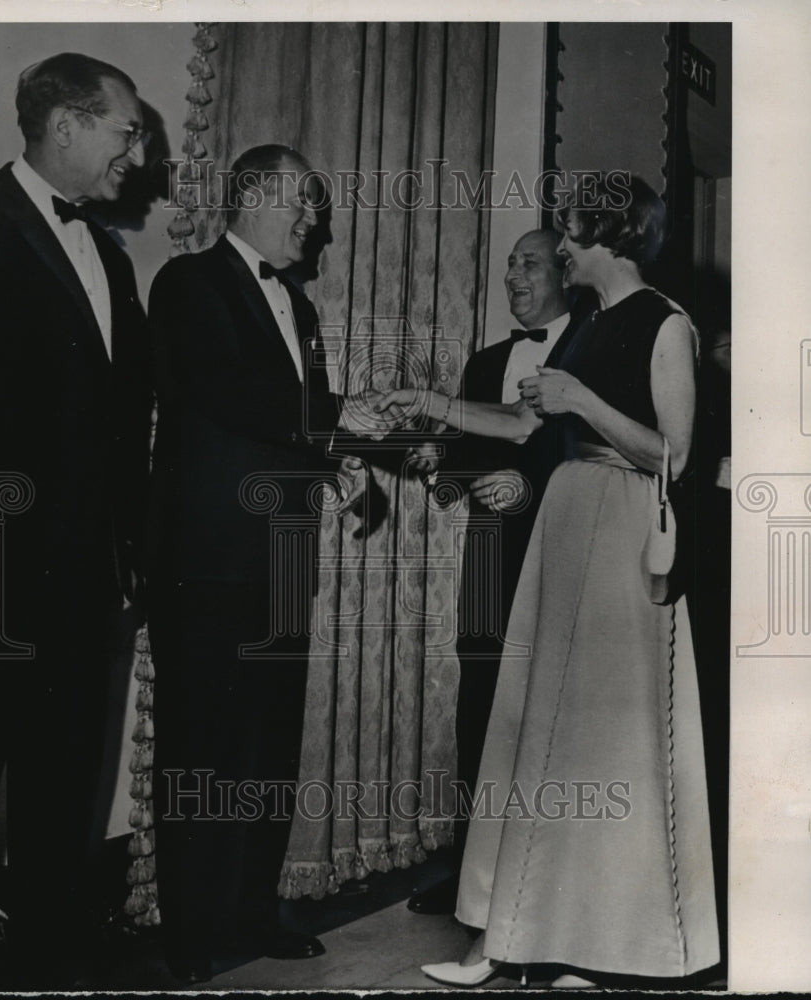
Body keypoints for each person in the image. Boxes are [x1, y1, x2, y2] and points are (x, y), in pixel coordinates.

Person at [376, 176, 719, 986]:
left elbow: (676, 454)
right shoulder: (588, 326)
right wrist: (427, 401)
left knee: (603, 744)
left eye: (569, 233)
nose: (560, 248)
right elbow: (526, 423)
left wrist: (584, 401)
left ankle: (597, 950)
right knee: (532, 728)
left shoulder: (667, 322)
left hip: (623, 519)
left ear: (611, 235)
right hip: (566, 521)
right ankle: (506, 940)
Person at [0, 53, 153, 989]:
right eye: (127, 130)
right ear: (65, 126)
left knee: (59, 781)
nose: (137, 153)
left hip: (82, 574)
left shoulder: (111, 256)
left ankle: (40, 958)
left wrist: (126, 556)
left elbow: (123, 428)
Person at [146, 144, 367, 984]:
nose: (312, 220)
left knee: (267, 745)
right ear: (248, 198)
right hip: (204, 560)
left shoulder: (301, 308)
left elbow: (290, 425)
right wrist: (352, 418)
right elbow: (230, 393)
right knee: (200, 747)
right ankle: (192, 929)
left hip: (280, 560)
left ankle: (249, 906)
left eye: (314, 206)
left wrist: (340, 467)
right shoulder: (188, 284)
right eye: (300, 203)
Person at [405, 230, 589, 915]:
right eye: (509, 263)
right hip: (490, 560)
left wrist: (527, 487)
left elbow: (586, 450)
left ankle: (551, 880)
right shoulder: (484, 362)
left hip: (566, 550)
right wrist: (437, 462)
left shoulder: (594, 347)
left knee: (558, 706)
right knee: (480, 704)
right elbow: (459, 460)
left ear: (565, 273)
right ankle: (469, 874)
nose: (513, 274)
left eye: (530, 262)